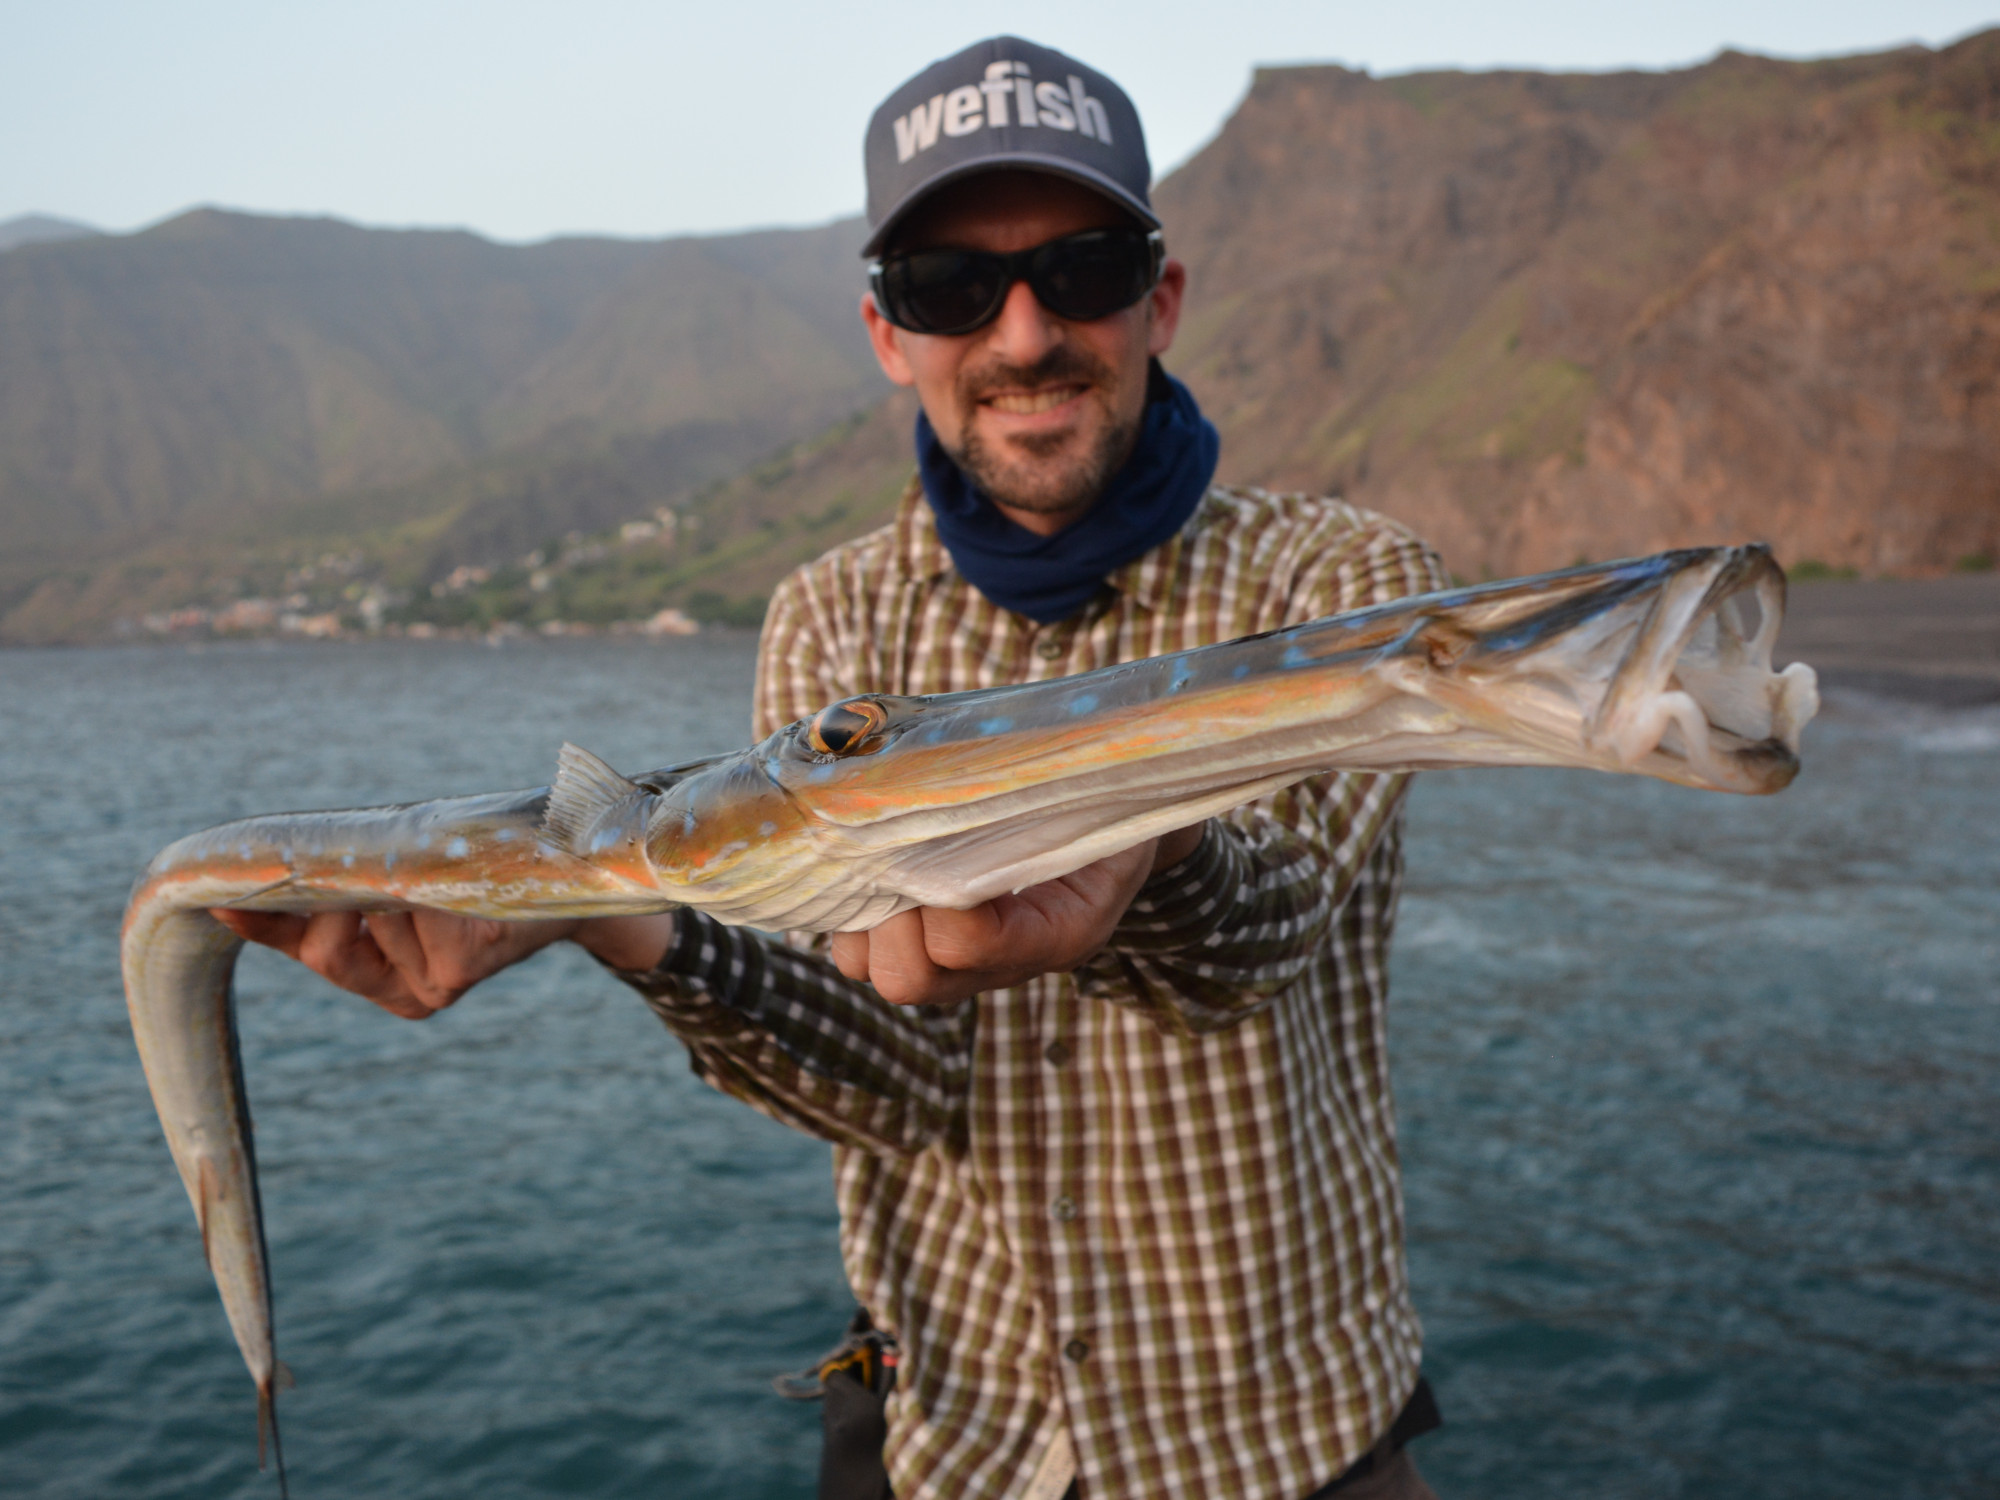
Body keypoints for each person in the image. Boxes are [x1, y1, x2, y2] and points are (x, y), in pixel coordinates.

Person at [217, 36, 1449, 1500]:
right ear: (887, 331)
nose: (1021, 336)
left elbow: (1262, 941)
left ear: (1160, 299)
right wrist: (621, 919)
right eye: (949, 288)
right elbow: (892, 1081)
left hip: (1285, 1448)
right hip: (957, 1445)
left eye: (1084, 268)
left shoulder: (1346, 587)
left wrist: (1152, 847)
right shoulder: (831, 620)